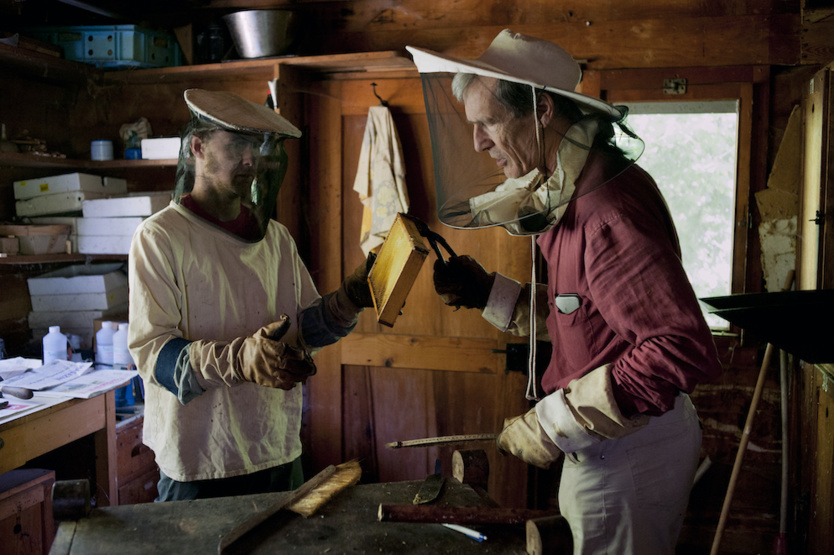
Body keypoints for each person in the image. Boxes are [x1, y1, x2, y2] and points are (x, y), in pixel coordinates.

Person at [406, 31, 722, 553]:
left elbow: (678, 348)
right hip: (611, 445)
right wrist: (488, 293)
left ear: (542, 110)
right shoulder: (568, 188)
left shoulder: (606, 212)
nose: (478, 143)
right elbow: (583, 315)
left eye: (487, 122)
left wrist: (555, 422)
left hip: (629, 453)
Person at [128, 89, 374, 501]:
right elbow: (155, 355)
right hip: (199, 464)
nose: (251, 159)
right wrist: (240, 360)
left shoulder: (275, 237)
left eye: (257, 147)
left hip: (277, 453)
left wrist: (347, 299)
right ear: (197, 147)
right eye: (237, 144)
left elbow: (300, 330)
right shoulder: (159, 237)